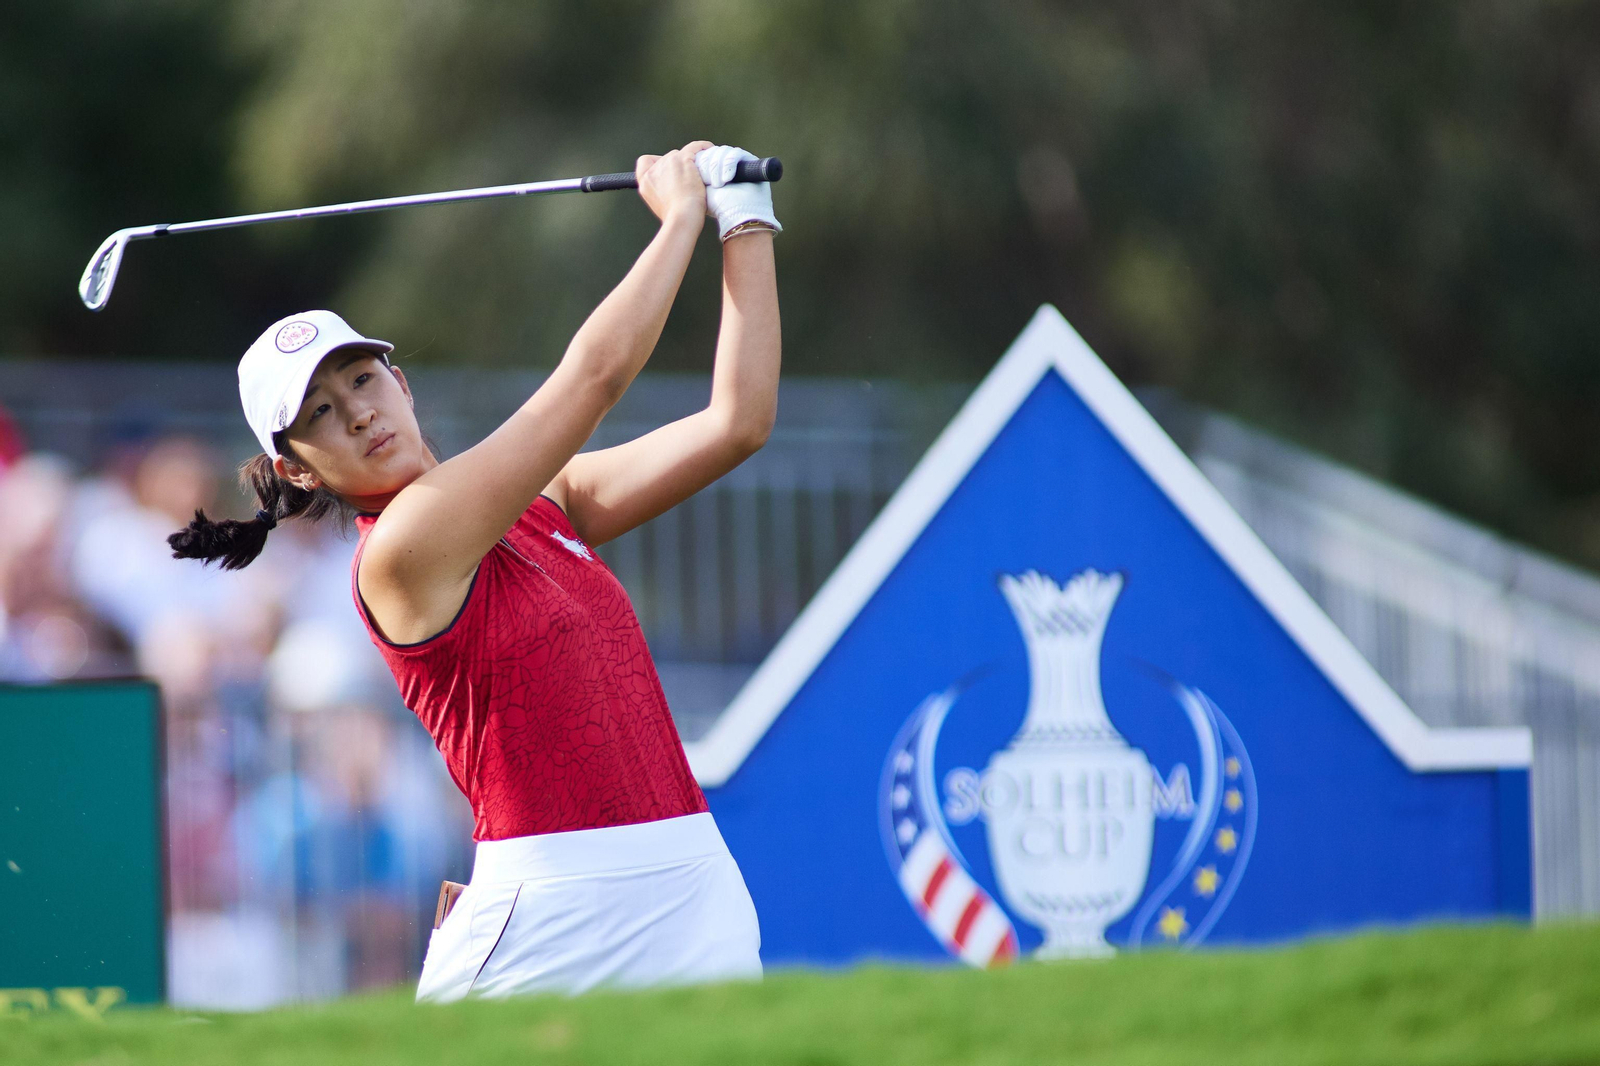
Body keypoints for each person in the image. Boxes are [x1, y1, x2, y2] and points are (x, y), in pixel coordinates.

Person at [170, 141, 780, 1000]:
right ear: (299, 469)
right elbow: (594, 377)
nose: (359, 413)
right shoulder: (398, 550)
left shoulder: (548, 501)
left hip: (690, 876)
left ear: (401, 382)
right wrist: (682, 213)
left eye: (362, 379)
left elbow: (738, 423)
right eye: (320, 414)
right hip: (552, 915)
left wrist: (743, 215)